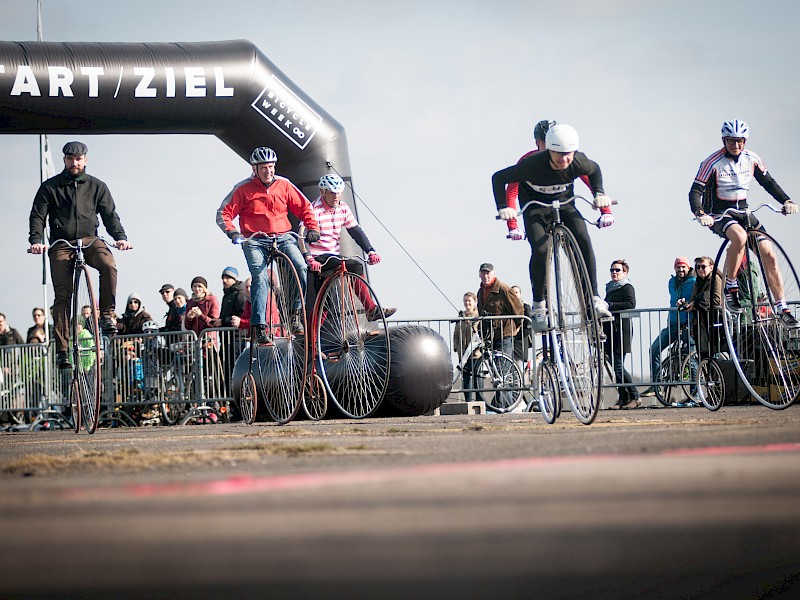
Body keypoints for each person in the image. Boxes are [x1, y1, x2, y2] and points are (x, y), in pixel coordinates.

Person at [492, 124, 614, 331]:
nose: (564, 160)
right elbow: (500, 179)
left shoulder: (578, 162)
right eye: (559, 155)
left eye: (568, 155)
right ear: (548, 149)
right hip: (535, 208)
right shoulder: (531, 164)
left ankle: (594, 297)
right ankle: (540, 305)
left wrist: (601, 199)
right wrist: (505, 211)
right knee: (540, 249)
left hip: (565, 204)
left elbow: (593, 173)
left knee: (583, 239)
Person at [28, 141, 133, 368]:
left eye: (78, 159)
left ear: (85, 159)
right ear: (64, 160)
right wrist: (36, 241)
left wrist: (120, 237)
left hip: (89, 239)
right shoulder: (50, 187)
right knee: (63, 295)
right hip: (61, 243)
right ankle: (63, 350)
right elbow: (37, 216)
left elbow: (110, 215)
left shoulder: (97, 186)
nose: (74, 163)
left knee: (108, 265)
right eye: (70, 159)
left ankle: (106, 315)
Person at [689, 119, 799, 328]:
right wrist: (700, 212)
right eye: (732, 141)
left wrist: (786, 200)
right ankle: (731, 286)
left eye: (740, 141)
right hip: (719, 213)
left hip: (744, 212)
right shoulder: (712, 162)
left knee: (769, 253)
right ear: (724, 140)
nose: (736, 146)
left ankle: (781, 307)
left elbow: (768, 182)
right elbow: (695, 191)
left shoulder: (752, 159)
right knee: (739, 237)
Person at [218, 146, 320, 343]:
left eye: (271, 166)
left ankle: (295, 313)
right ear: (254, 169)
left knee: (300, 266)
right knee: (260, 276)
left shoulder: (284, 185)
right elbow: (224, 213)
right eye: (263, 167)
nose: (268, 171)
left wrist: (312, 227)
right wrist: (232, 231)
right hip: (254, 239)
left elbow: (305, 207)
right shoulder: (243, 188)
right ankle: (260, 326)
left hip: (282, 236)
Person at [300, 174, 397, 321]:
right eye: (332, 193)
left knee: (356, 266)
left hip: (333, 255)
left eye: (338, 192)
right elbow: (301, 237)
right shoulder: (313, 210)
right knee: (320, 306)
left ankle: (370, 309)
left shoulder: (343, 208)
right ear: (322, 192)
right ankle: (311, 340)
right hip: (317, 256)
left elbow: (355, 231)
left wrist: (370, 251)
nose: (336, 196)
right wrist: (308, 257)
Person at [642, 257, 696, 396]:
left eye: (683, 267)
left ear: (688, 267)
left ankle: (694, 394)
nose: (681, 270)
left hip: (688, 324)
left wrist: (688, 302)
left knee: (691, 357)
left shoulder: (694, 281)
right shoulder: (671, 282)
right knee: (654, 349)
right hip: (673, 324)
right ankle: (656, 385)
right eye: (678, 267)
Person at [603, 260, 641, 410]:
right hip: (610, 331)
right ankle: (624, 397)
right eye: (612, 270)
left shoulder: (627, 287)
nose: (614, 272)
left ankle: (635, 396)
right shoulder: (610, 288)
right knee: (614, 365)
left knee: (618, 366)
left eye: (617, 270)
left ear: (625, 272)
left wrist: (611, 306)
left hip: (621, 331)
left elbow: (631, 304)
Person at [476, 263, 524, 357]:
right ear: (479, 275)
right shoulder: (480, 292)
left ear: (493, 274)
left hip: (504, 335)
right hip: (489, 336)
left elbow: (518, 311)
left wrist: (514, 328)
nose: (485, 276)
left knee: (502, 367)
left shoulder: (504, 289)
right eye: (483, 273)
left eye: (488, 273)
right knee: (493, 368)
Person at [685, 256, 724, 360]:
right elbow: (692, 299)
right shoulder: (697, 281)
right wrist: (686, 304)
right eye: (698, 267)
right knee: (702, 355)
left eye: (703, 266)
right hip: (700, 322)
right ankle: (707, 374)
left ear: (711, 267)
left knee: (712, 353)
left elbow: (716, 299)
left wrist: (697, 302)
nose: (700, 269)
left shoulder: (715, 279)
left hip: (713, 322)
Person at [452, 292, 482, 402]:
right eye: (465, 301)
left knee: (477, 379)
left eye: (469, 301)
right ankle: (469, 401)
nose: (467, 303)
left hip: (476, 353)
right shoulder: (461, 316)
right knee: (466, 379)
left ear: (474, 302)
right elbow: (456, 333)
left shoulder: (478, 316)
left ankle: (480, 401)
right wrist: (456, 347)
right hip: (463, 353)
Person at [510, 285, 533, 371]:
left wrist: (519, 333)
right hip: (510, 340)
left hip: (521, 341)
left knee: (519, 368)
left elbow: (528, 324)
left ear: (520, 294)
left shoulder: (525, 306)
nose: (515, 294)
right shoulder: (508, 306)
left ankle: (519, 384)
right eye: (512, 292)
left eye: (516, 292)